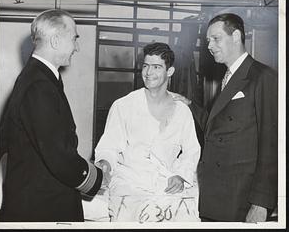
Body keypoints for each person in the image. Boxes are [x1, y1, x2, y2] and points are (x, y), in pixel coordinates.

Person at [0, 9, 103, 222]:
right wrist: (97, 178)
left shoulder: (37, 78)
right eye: (75, 38)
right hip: (43, 206)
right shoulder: (39, 85)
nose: (77, 47)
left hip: (35, 200)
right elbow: (59, 157)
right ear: (56, 40)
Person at [94, 42, 201, 222]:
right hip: (129, 183)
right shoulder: (124, 105)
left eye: (156, 67)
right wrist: (105, 164)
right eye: (145, 66)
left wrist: (181, 176)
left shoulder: (182, 111)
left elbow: (191, 150)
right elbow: (109, 147)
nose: (148, 73)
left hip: (166, 182)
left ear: (170, 72)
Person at [195, 13, 278, 222]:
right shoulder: (228, 77)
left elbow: (272, 145)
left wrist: (261, 203)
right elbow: (217, 127)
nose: (209, 46)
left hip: (241, 199)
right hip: (216, 195)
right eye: (208, 41)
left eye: (216, 38)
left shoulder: (263, 77)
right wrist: (189, 106)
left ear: (236, 36)